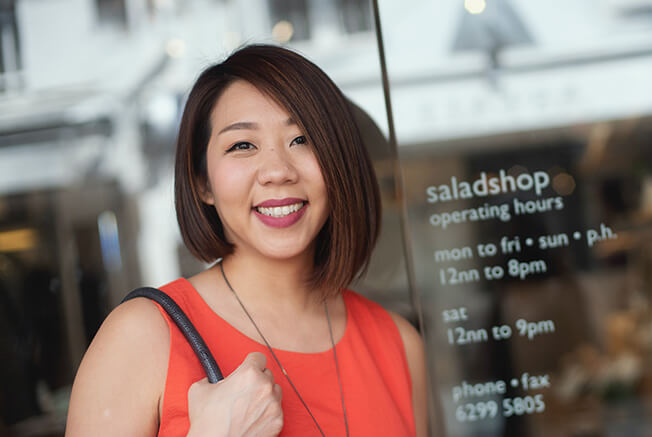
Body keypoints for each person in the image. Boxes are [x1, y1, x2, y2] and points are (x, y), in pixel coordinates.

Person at [66, 44, 428, 436]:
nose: (277, 171)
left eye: (302, 139)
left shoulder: (399, 347)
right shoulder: (141, 337)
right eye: (242, 145)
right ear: (203, 182)